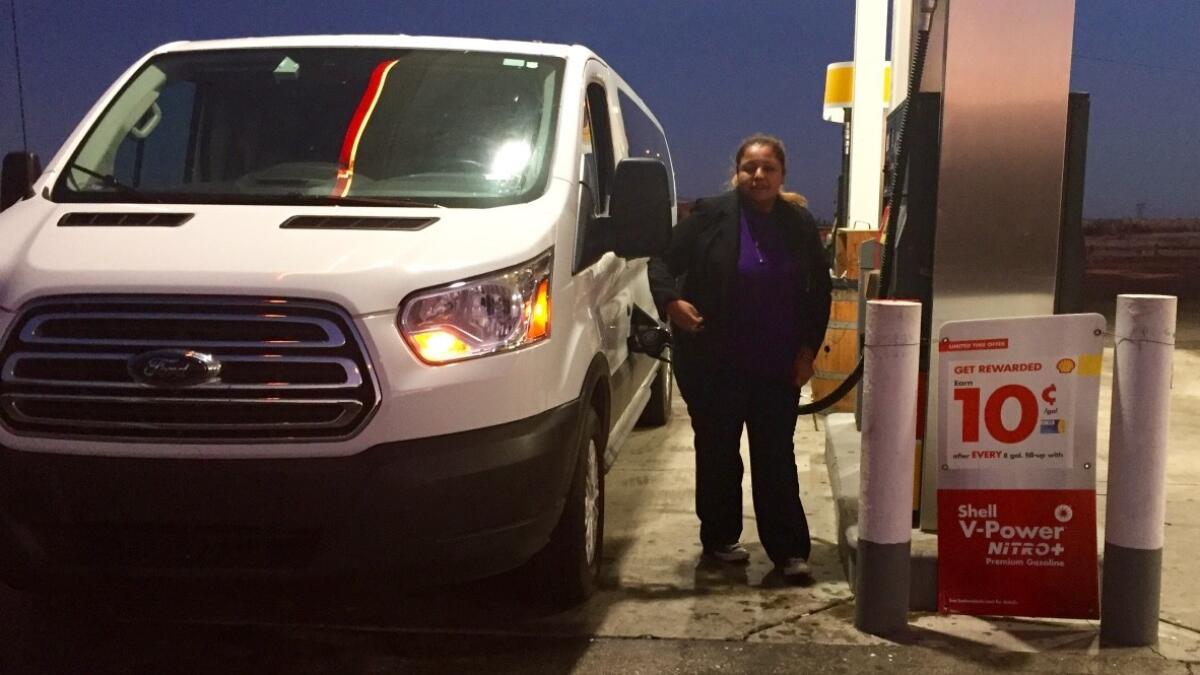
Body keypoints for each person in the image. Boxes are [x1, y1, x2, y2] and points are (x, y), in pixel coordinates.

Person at [648, 134, 832, 580]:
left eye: (768, 168)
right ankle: (720, 541)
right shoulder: (710, 215)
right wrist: (672, 302)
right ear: (737, 173)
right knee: (717, 455)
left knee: (775, 457)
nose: (758, 176)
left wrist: (808, 351)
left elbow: (818, 293)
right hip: (715, 365)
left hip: (776, 366)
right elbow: (662, 262)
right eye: (750, 168)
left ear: (782, 174)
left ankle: (789, 552)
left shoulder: (800, 224)